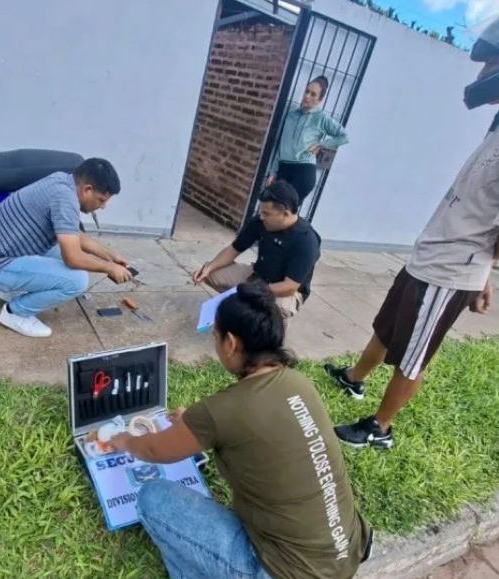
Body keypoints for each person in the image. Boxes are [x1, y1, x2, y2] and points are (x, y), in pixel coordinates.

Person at [324, 4, 499, 450]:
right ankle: (353, 378)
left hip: (449, 270)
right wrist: (485, 272)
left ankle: (379, 429)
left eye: (493, 64)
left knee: (413, 355)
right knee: (386, 327)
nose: (483, 72)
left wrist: (479, 267)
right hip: (431, 255)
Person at [110, 283, 373, 579]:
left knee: (153, 497)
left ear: (231, 343)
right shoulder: (299, 383)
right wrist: (195, 424)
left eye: (215, 336)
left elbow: (153, 450)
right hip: (344, 557)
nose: (215, 343)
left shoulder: (222, 411)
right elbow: (252, 429)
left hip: (285, 572)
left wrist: (124, 440)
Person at [0, 158, 132, 338]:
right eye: (101, 200)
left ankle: (12, 290)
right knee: (76, 280)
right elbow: (73, 258)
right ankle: (15, 312)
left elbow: (74, 235)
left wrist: (110, 256)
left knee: (63, 253)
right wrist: (108, 267)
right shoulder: (65, 199)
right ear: (87, 189)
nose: (102, 206)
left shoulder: (61, 181)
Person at [192, 180, 321, 320]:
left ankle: (272, 328)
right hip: (258, 275)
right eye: (261, 211)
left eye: (267, 213)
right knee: (212, 274)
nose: (261, 216)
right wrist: (209, 267)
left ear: (285, 213)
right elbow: (234, 249)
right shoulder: (260, 222)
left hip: (286, 292)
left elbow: (290, 286)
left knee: (272, 308)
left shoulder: (306, 241)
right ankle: (244, 307)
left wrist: (253, 291)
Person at [266, 75, 349, 205]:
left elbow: (344, 136)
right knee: (272, 208)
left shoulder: (322, 118)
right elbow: (281, 145)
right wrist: (273, 171)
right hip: (283, 169)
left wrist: (321, 144)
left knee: (282, 211)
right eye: (307, 91)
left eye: (313, 94)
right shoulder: (291, 115)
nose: (307, 96)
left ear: (320, 100)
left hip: (303, 172)